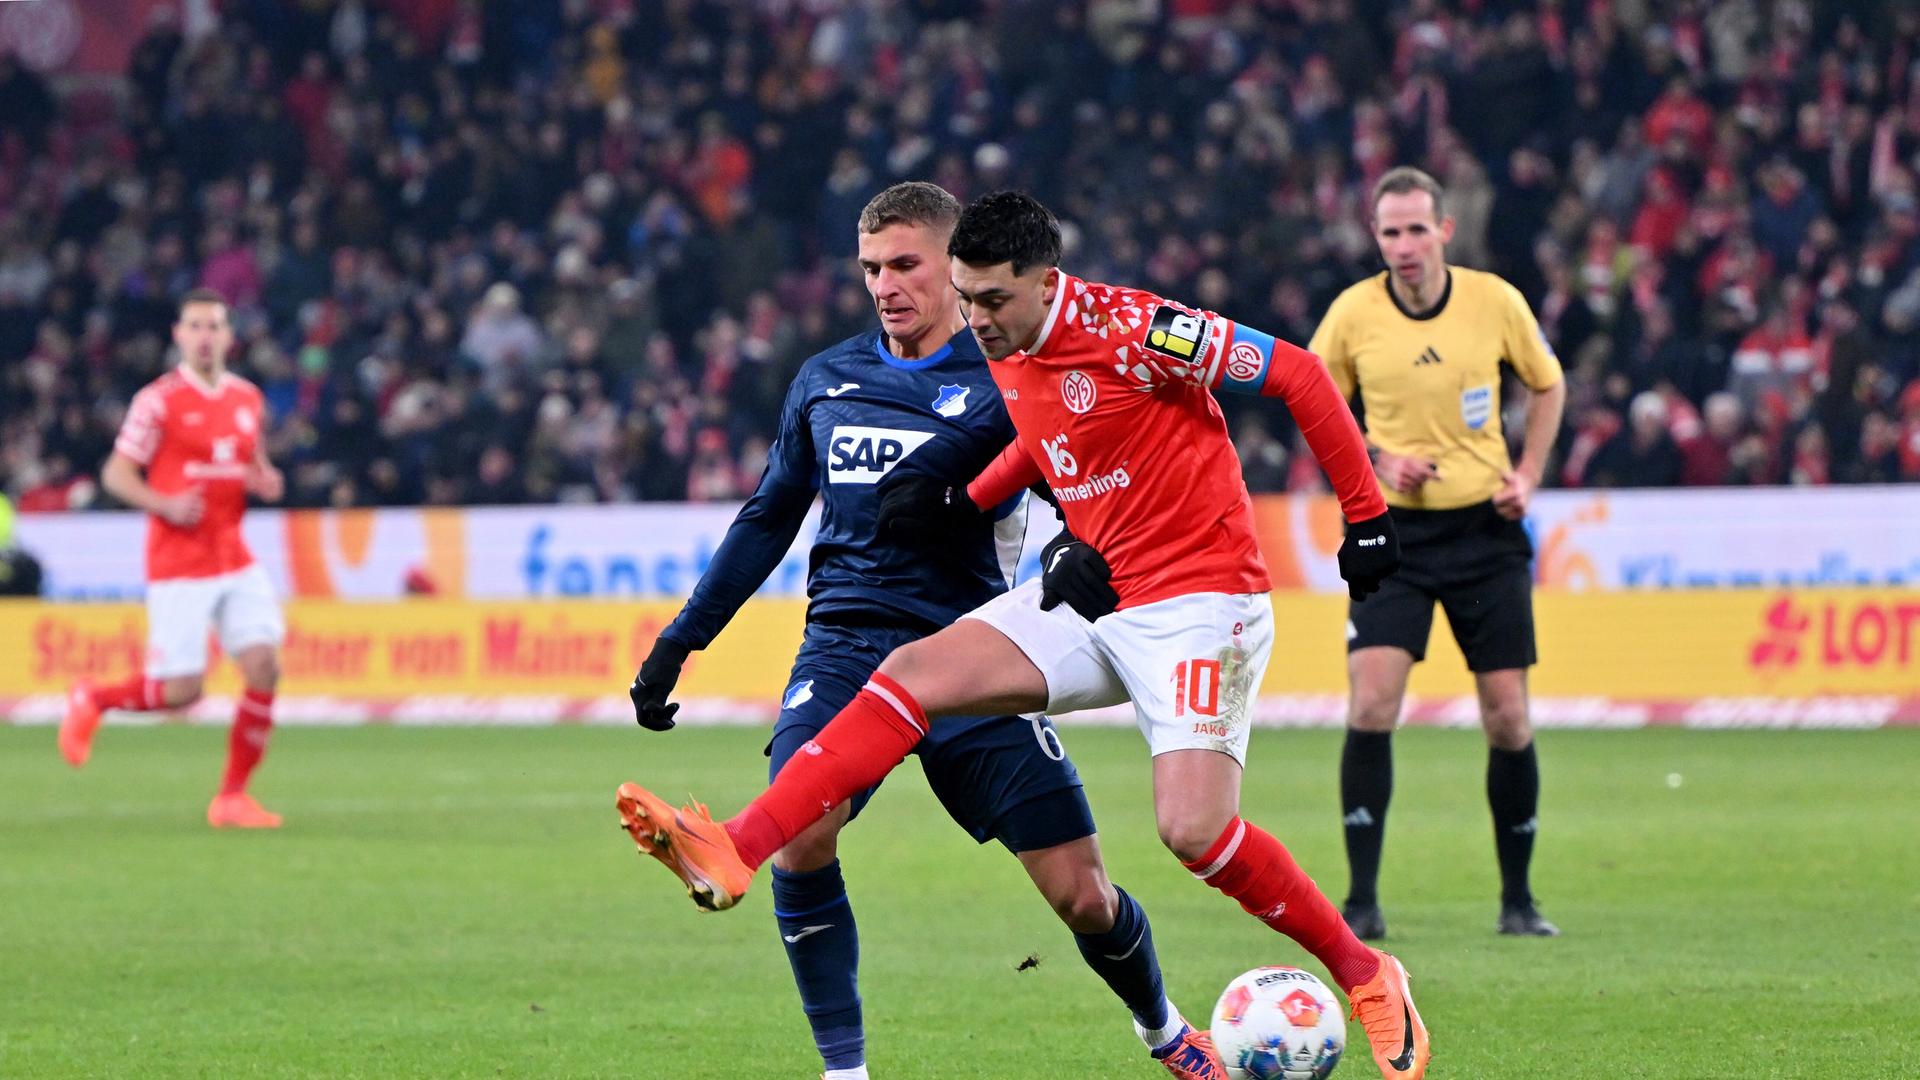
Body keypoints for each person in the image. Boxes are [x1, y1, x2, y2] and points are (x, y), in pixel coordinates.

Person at [613, 191, 1431, 1080]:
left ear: (1047, 281)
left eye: (992, 301)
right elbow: (1048, 441)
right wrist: (971, 495)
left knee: (1192, 832)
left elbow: (1302, 377)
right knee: (914, 671)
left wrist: (1368, 517)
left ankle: (1366, 971)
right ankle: (736, 844)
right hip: (1094, 599)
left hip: (1200, 602)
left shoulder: (1141, 329)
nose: (977, 321)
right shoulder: (991, 342)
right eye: (964, 299)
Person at [1307, 167, 1567, 940]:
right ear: (1375, 237)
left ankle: (1519, 901)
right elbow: (1314, 400)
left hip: (1484, 532)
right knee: (1373, 703)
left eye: (1418, 229)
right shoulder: (1353, 313)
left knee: (1509, 718)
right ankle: (1360, 902)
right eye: (1390, 232)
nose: (1404, 246)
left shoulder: (1496, 301)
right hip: (1393, 534)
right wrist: (1376, 458)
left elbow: (1548, 387)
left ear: (1445, 231)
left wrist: (1530, 475)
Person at [59, 288, 288, 829]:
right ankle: (94, 697)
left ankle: (231, 797)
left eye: (215, 326)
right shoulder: (158, 401)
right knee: (181, 693)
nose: (205, 337)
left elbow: (252, 462)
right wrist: (163, 503)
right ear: (178, 336)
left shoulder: (247, 399)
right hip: (179, 562)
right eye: (195, 327)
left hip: (233, 555)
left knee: (264, 665)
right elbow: (116, 474)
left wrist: (265, 478)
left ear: (230, 336)